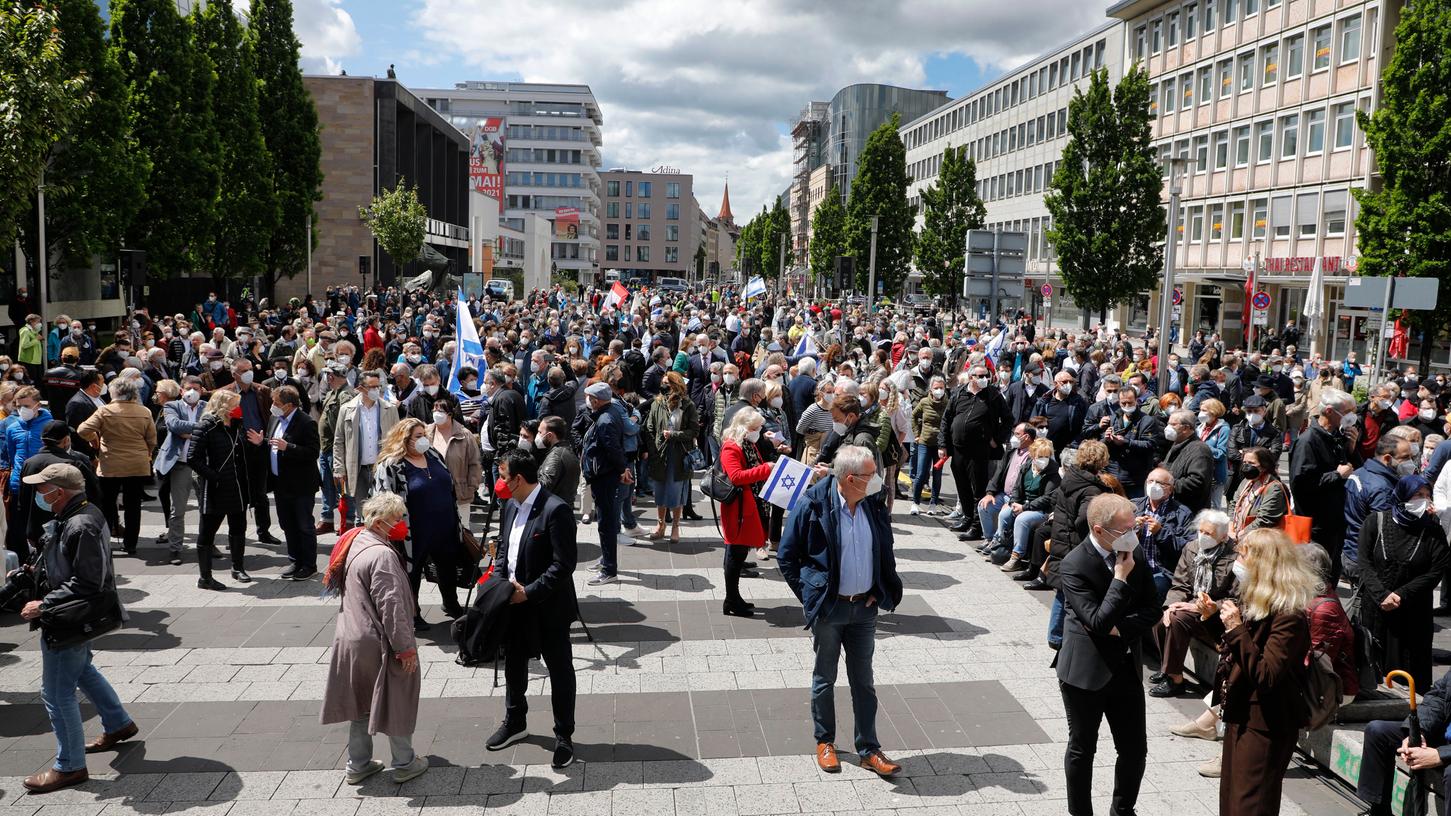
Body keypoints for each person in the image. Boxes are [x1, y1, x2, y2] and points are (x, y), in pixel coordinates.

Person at [778, 444, 905, 778]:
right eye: (870, 475)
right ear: (851, 479)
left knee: (864, 682)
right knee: (825, 678)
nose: (877, 479)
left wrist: (880, 589)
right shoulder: (813, 505)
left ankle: (869, 749)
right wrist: (811, 596)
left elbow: (884, 550)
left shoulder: (872, 505)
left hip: (864, 610)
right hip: (830, 610)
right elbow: (787, 557)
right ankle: (825, 741)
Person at [17, 463, 138, 794]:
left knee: (56, 693)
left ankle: (69, 766)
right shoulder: (76, 515)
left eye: (44, 488)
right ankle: (119, 723)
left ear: (61, 491)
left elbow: (87, 580)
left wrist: (45, 603)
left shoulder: (80, 523)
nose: (39, 494)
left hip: (69, 618)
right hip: (74, 616)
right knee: (83, 669)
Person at [1054, 493, 1160, 816]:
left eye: (1134, 526)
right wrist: (1119, 578)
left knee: (1134, 750)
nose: (1133, 534)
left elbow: (1153, 608)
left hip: (1125, 665)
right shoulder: (1075, 564)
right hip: (1085, 671)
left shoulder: (1133, 551)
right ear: (1099, 531)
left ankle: (1122, 810)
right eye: (1125, 529)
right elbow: (1097, 621)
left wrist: (1120, 629)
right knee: (1082, 747)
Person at [318, 491, 429, 786]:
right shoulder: (381, 555)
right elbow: (391, 606)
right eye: (397, 519)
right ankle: (405, 763)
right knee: (397, 697)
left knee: (360, 704)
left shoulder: (355, 539)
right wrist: (405, 649)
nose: (402, 523)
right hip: (375, 641)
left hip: (351, 636)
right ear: (380, 523)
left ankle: (358, 764)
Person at [1201, 528, 1314, 815]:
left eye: (1242, 554)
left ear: (1264, 563)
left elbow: (1266, 675)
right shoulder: (1256, 599)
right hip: (1241, 712)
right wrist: (1215, 620)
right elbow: (1237, 652)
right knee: (1231, 800)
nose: (1237, 560)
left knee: (1250, 805)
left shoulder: (1289, 615)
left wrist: (1236, 628)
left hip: (1268, 722)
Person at [488, 448, 579, 771]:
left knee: (560, 671)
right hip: (513, 603)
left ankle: (563, 735)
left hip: (547, 606)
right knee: (514, 664)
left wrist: (530, 592)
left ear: (519, 479)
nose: (499, 482)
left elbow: (564, 563)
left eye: (503, 477)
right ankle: (515, 721)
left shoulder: (556, 510)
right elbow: (503, 549)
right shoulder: (510, 505)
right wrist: (501, 582)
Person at [1356, 475, 1450, 692]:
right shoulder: (1375, 522)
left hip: (1413, 612)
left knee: (1412, 668)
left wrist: (1400, 594)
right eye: (1418, 495)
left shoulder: (1432, 530)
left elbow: (1436, 570)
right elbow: (1365, 563)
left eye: (1428, 496)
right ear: (1403, 495)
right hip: (1378, 610)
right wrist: (1382, 595)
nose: (1424, 500)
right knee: (1375, 665)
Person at [374, 418, 465, 627]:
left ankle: (451, 603)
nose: (423, 440)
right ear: (404, 439)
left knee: (448, 567)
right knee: (411, 573)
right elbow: (382, 500)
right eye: (418, 436)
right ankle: (413, 613)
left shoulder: (433, 455)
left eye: (424, 435)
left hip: (445, 525)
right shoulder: (391, 465)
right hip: (413, 531)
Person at [1149, 509, 1236, 698]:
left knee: (1177, 619)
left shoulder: (1234, 556)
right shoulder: (1192, 548)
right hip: (1192, 605)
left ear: (1222, 537)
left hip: (1215, 613)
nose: (1202, 537)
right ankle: (1168, 669)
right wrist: (1170, 605)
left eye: (1208, 533)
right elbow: (1181, 584)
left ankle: (1175, 680)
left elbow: (1235, 597)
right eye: (1201, 531)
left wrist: (1202, 606)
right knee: (1163, 618)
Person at [1354, 666, 1451, 816]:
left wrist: (1441, 755)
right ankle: (1379, 811)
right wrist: (1419, 732)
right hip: (1442, 736)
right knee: (1377, 731)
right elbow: (1437, 697)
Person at [76, 377, 156, 556]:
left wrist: (94, 440)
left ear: (113, 393)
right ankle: (131, 544)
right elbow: (152, 439)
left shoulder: (104, 411)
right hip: (137, 463)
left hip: (110, 463)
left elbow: (82, 430)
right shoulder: (144, 411)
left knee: (107, 503)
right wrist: (147, 454)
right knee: (133, 504)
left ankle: (106, 540)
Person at [1291, 388, 1358, 588]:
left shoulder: (1337, 436)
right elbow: (1301, 483)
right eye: (1347, 412)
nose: (1351, 417)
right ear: (1329, 411)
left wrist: (1352, 448)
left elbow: (1354, 468)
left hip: (1336, 521)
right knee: (1315, 578)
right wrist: (1336, 475)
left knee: (1330, 576)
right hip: (1316, 525)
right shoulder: (1309, 441)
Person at [187, 390, 251, 589]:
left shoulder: (236, 425)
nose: (237, 408)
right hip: (215, 488)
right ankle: (205, 577)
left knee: (239, 528)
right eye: (234, 404)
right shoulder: (206, 425)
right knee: (207, 533)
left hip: (237, 486)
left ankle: (237, 567)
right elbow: (192, 458)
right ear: (222, 406)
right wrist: (214, 476)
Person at [938, 364, 1011, 538]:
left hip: (979, 451)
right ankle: (967, 517)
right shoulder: (959, 393)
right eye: (979, 376)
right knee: (962, 486)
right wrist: (942, 444)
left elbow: (1008, 420)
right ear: (971, 378)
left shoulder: (993, 395)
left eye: (985, 375)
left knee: (979, 488)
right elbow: (946, 420)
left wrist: (997, 439)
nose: (983, 379)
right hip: (958, 449)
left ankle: (978, 527)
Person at [260, 385, 321, 580]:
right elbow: (273, 444)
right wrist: (261, 442)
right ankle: (295, 560)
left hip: (301, 485)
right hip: (280, 483)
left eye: (276, 404)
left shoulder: (306, 422)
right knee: (287, 524)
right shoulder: (274, 419)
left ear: (288, 405)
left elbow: (313, 453)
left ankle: (309, 564)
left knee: (304, 525)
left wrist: (290, 447)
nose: (273, 407)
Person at [718, 407, 775, 617]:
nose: (758, 431)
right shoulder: (731, 448)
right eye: (755, 428)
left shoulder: (748, 444)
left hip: (749, 504)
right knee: (735, 552)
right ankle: (731, 599)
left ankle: (733, 598)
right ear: (744, 428)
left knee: (739, 552)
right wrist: (766, 469)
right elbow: (736, 476)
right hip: (738, 508)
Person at [221, 359, 280, 546]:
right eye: (243, 371)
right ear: (234, 375)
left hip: (259, 447)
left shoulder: (262, 391)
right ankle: (238, 534)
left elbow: (272, 416)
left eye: (250, 369)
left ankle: (264, 531)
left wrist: (266, 439)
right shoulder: (226, 393)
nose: (248, 373)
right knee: (238, 494)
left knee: (260, 492)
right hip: (236, 450)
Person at [580, 381, 632, 586]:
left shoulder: (606, 420)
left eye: (589, 398)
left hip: (605, 478)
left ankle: (609, 569)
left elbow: (613, 449)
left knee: (606, 524)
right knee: (606, 522)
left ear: (596, 400)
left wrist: (622, 470)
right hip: (603, 475)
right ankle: (606, 559)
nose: (587, 401)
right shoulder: (606, 415)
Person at [333, 370, 399, 529]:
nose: (376, 390)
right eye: (372, 387)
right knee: (361, 513)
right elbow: (339, 440)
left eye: (378, 386)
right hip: (358, 469)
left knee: (383, 510)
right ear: (360, 388)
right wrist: (339, 468)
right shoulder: (347, 409)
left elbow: (397, 439)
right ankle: (361, 545)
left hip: (382, 469)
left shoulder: (389, 409)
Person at [1343, 435, 1414, 583]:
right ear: (1387, 458)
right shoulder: (1382, 488)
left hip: (1352, 550)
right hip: (1367, 560)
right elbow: (1387, 531)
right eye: (1405, 457)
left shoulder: (1361, 473)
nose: (1411, 462)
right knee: (1363, 604)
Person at [156, 378, 206, 566]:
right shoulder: (172, 405)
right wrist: (201, 430)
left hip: (202, 465)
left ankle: (206, 543)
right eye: (188, 388)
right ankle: (175, 548)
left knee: (206, 509)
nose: (192, 391)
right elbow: (174, 425)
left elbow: (215, 426)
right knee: (178, 510)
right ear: (181, 390)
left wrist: (188, 433)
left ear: (202, 390)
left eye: (196, 388)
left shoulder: (207, 406)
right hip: (180, 464)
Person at [643, 371, 698, 543]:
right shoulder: (657, 403)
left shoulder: (687, 405)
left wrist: (675, 435)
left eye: (668, 382)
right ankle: (660, 525)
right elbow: (649, 428)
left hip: (679, 455)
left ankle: (675, 526)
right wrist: (653, 450)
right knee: (659, 492)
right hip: (660, 455)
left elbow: (694, 431)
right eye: (663, 382)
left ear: (677, 385)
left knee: (675, 493)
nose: (664, 385)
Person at [1131, 467, 1195, 601]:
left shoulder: (1183, 513)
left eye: (1159, 483)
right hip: (1131, 567)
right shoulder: (1133, 506)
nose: (1153, 485)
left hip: (1162, 572)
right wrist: (1131, 527)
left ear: (1170, 489)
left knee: (1153, 592)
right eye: (1150, 481)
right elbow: (1115, 538)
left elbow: (1188, 548)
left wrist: (1161, 533)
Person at [997, 438, 1060, 574]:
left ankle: (1016, 557)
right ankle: (1001, 546)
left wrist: (1024, 508)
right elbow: (1017, 488)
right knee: (1004, 514)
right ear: (1032, 455)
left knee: (1022, 519)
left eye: (1046, 456)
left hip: (1041, 510)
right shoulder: (1026, 466)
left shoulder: (1053, 472)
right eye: (1040, 456)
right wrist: (1013, 502)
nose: (1044, 459)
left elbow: (1047, 498)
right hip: (1022, 504)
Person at [428, 391, 483, 523]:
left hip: (460, 492)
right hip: (433, 491)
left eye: (440, 411)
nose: (436, 414)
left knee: (462, 530)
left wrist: (471, 488)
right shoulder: (426, 433)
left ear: (450, 414)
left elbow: (475, 463)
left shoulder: (465, 435)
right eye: (434, 410)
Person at [316, 363, 356, 533]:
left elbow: (347, 425)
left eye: (328, 375)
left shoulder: (346, 395)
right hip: (325, 448)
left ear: (332, 376)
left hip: (337, 449)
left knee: (343, 488)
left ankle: (347, 521)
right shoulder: (333, 393)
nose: (326, 378)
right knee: (326, 485)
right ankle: (327, 519)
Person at [1228, 446, 1288, 538]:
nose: (1246, 466)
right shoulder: (1246, 482)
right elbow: (1234, 503)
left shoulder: (1274, 488)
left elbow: (1265, 520)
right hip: (1240, 536)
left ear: (1264, 466)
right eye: (1244, 462)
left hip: (1261, 541)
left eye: (1251, 463)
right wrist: (1230, 528)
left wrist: (1240, 535)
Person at [1162, 409, 1214, 514]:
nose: (1168, 428)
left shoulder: (1200, 450)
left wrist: (1168, 485)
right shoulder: (1177, 444)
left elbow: (1197, 482)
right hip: (1174, 509)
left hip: (1189, 512)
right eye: (1168, 424)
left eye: (1173, 424)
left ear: (1186, 428)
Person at [909, 375, 948, 514]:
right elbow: (913, 416)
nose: (939, 390)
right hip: (924, 443)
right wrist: (917, 435)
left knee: (937, 475)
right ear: (931, 389)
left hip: (940, 446)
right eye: (936, 388)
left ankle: (933, 503)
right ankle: (915, 502)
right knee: (921, 473)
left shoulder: (948, 404)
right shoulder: (924, 402)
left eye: (941, 388)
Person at [64, 370, 106, 460]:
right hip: (90, 455)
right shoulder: (76, 403)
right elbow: (76, 434)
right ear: (94, 386)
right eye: (103, 383)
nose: (104, 385)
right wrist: (92, 458)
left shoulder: (98, 398)